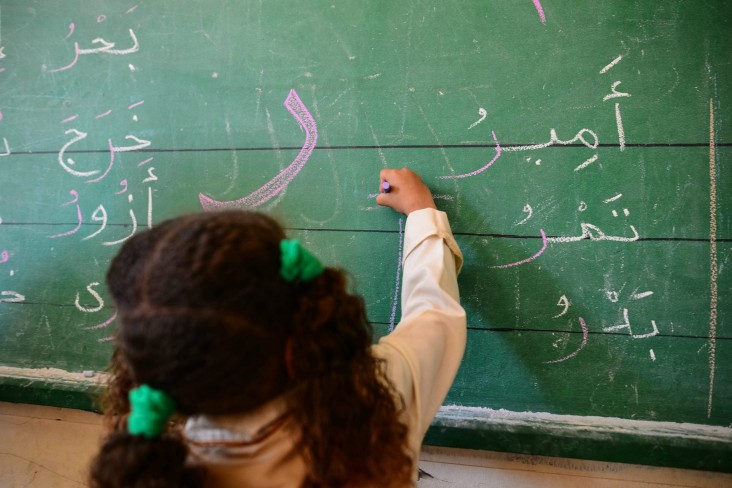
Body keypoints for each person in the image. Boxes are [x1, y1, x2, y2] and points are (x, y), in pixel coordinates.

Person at [90, 168, 466, 488]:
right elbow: (434, 315)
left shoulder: (154, 470)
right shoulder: (378, 397)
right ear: (293, 347)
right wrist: (421, 212)